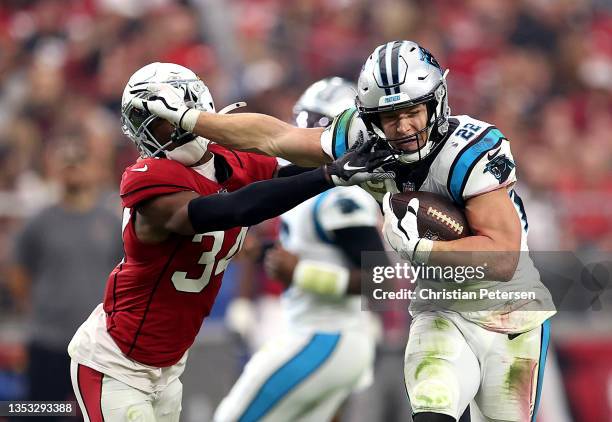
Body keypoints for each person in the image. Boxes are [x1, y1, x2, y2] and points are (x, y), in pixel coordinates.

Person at [134, 41, 556, 422]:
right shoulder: (362, 137)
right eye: (390, 117)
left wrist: (424, 251)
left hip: (510, 312)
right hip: (439, 306)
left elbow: (502, 257)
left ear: (437, 102)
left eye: (412, 112)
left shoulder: (471, 149)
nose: (404, 128)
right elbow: (274, 137)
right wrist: (193, 119)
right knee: (432, 406)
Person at [67, 62, 394, 422]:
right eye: (152, 125)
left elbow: (283, 167)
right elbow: (233, 208)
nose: (164, 133)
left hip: (171, 365)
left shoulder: (230, 161)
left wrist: (345, 158)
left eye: (165, 117)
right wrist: (330, 174)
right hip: (116, 362)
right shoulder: (147, 177)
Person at [214, 77, 384, 422]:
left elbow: (381, 281)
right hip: (314, 333)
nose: (304, 132)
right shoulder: (306, 189)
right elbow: (302, 253)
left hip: (327, 335)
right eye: (303, 120)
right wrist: (264, 255)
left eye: (317, 125)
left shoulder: (341, 195)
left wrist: (303, 274)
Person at [9, 139, 123, 421]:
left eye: (80, 163)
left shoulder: (110, 222)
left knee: (96, 414)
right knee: (42, 412)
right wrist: (34, 309)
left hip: (97, 344)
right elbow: (18, 270)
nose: (74, 171)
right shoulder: (40, 221)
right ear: (56, 170)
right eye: (67, 164)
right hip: (48, 339)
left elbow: (125, 274)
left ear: (95, 169)